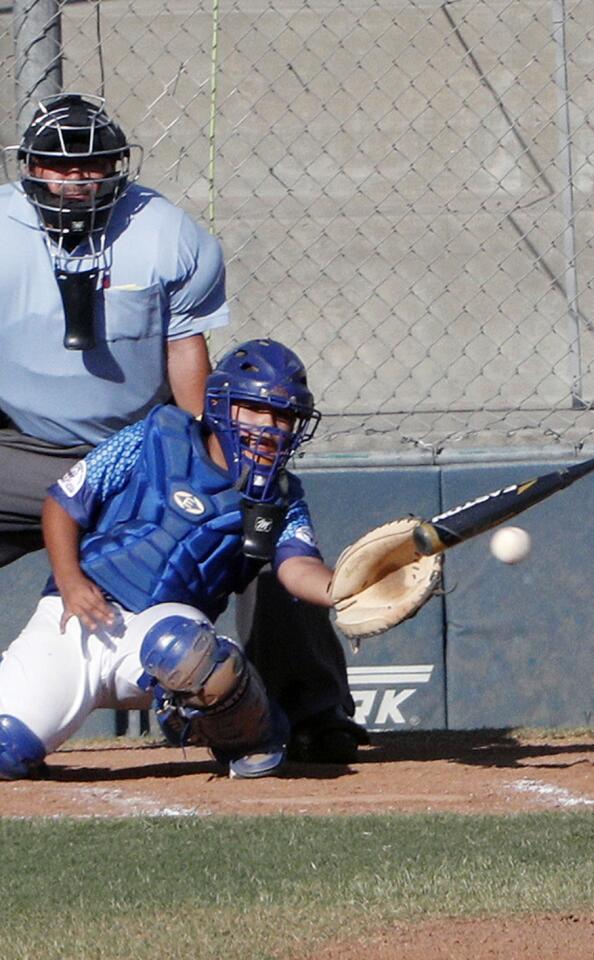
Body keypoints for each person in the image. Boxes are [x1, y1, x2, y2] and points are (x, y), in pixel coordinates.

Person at [0, 92, 366, 761]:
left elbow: (184, 353)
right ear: (30, 168)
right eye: (58, 165)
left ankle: (313, 711)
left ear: (119, 167)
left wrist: (216, 451)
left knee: (252, 517)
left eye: (93, 164)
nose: (75, 178)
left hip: (142, 436)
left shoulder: (168, 233)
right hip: (27, 443)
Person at [0, 338, 338, 781]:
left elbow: (298, 568)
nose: (270, 428)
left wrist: (344, 588)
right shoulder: (155, 436)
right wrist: (69, 579)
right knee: (8, 752)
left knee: (188, 652)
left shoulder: (280, 499)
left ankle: (255, 735)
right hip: (77, 617)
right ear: (220, 405)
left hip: (161, 634)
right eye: (255, 410)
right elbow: (63, 501)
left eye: (284, 417)